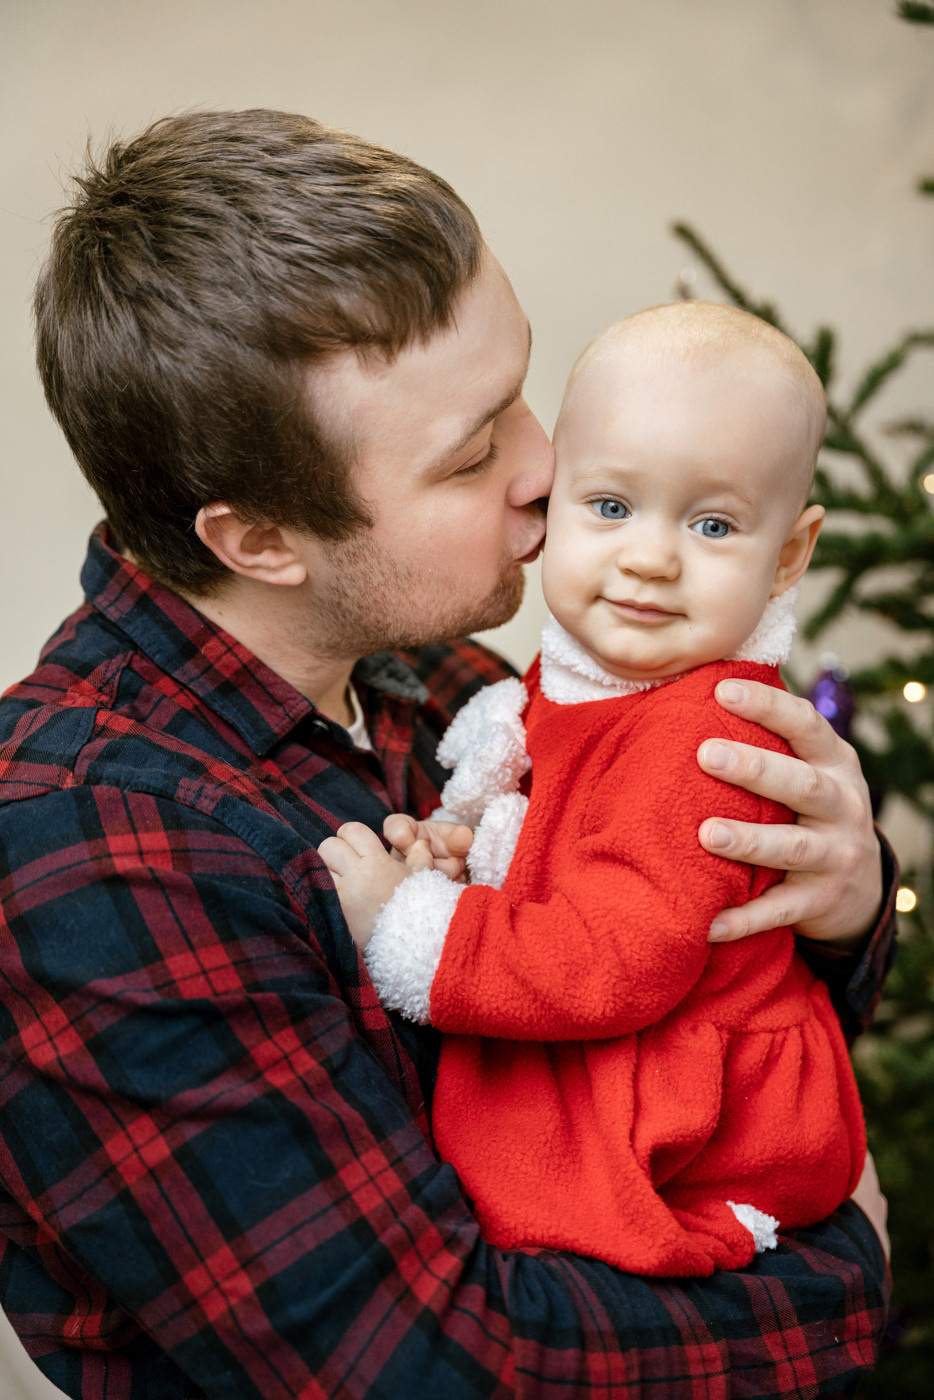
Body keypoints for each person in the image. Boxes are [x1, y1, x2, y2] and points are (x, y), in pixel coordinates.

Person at [0, 109, 893, 1398]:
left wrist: (843, 898)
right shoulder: (86, 847)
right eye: (472, 453)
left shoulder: (456, 684)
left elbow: (707, 1008)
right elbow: (420, 1362)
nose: (547, 466)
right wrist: (842, 1281)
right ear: (259, 541)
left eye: (519, 389)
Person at [319, 302, 867, 1277]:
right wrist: (486, 849)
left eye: (712, 523)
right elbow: (576, 831)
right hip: (631, 1027)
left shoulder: (709, 729)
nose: (649, 558)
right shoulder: (582, 680)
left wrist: (413, 923)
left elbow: (618, 951)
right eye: (611, 506)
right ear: (558, 497)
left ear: (787, 553)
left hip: (702, 1117)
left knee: (542, 1207)